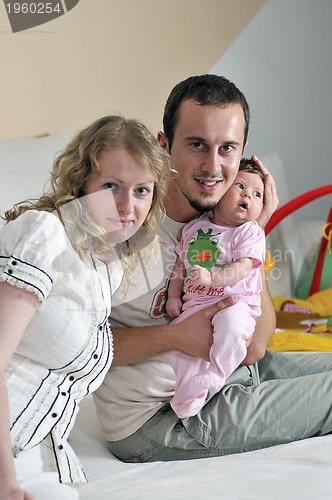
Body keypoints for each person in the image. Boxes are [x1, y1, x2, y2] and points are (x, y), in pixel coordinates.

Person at [94, 74, 332, 464]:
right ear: (164, 145)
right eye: (197, 145)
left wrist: (255, 231)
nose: (213, 166)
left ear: (243, 153)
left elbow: (255, 346)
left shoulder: (226, 223)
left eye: (227, 149)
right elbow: (78, 345)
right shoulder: (121, 220)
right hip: (158, 416)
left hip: (231, 370)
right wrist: (176, 337)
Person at [0, 115, 170, 500]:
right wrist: (6, 482)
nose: (128, 206)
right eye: (112, 186)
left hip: (42, 456)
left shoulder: (108, 265)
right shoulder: (44, 233)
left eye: (142, 190)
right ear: (81, 183)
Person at [166, 159, 265, 418]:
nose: (248, 195)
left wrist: (213, 279)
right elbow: (181, 265)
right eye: (240, 186)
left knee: (233, 328)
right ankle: (189, 399)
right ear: (219, 192)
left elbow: (243, 267)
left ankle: (217, 374)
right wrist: (174, 296)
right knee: (178, 348)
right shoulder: (195, 228)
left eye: (257, 194)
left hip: (235, 303)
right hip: (196, 304)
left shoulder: (249, 232)